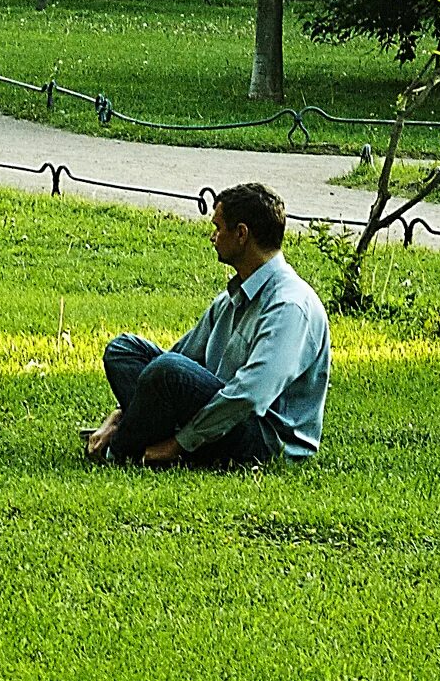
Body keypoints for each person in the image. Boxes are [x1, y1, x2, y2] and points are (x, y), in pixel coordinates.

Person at [86, 181, 329, 468]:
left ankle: (121, 452)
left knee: (168, 371)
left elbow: (249, 397)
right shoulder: (230, 298)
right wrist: (117, 416)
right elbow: (177, 360)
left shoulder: (290, 306)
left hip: (264, 436)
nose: (212, 237)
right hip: (216, 410)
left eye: (217, 227)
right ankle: (136, 436)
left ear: (241, 234)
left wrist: (179, 444)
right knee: (124, 350)